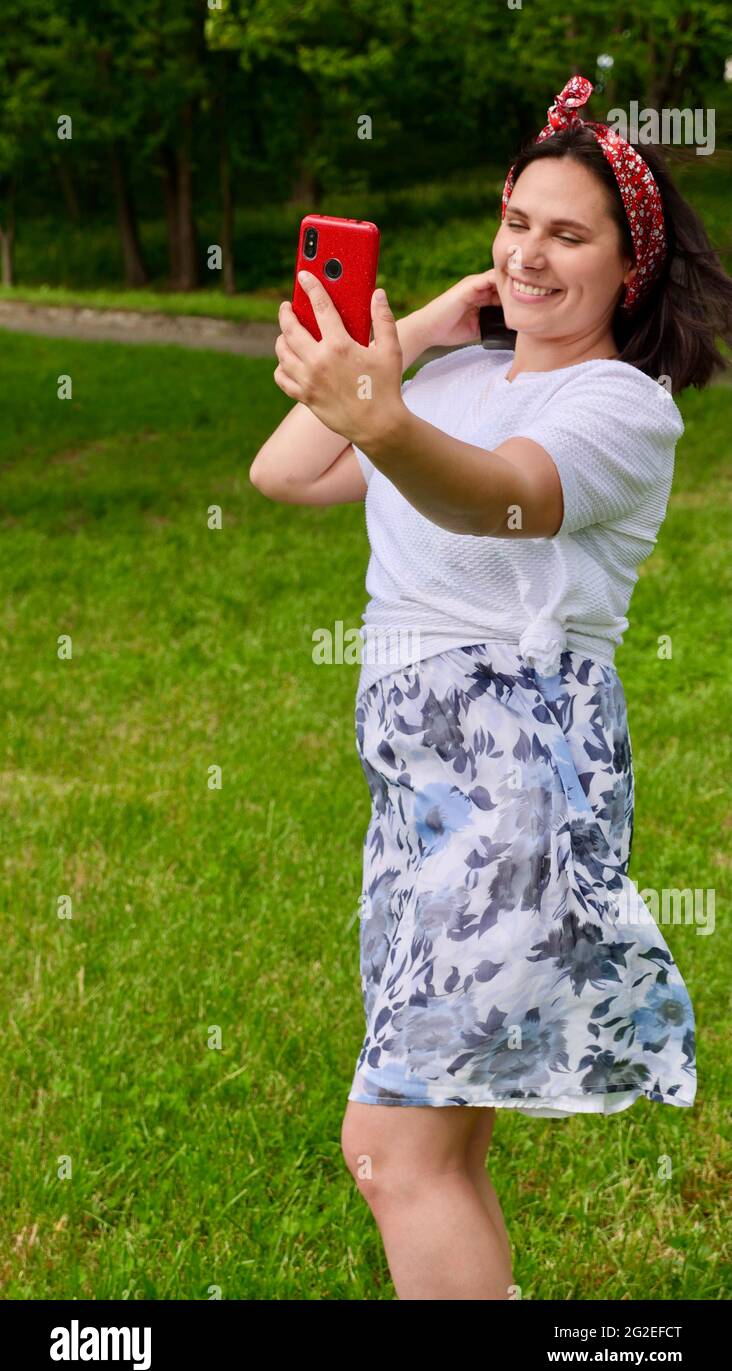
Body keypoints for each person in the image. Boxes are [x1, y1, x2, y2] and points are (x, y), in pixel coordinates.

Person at [249, 75, 732, 1300]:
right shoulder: (451, 382)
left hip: (516, 780)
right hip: (416, 791)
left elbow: (500, 496)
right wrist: (407, 339)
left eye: (568, 234)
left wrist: (382, 413)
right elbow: (287, 470)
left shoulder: (622, 406)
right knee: (420, 1147)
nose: (529, 253)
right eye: (516, 222)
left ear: (632, 265)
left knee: (399, 1147)